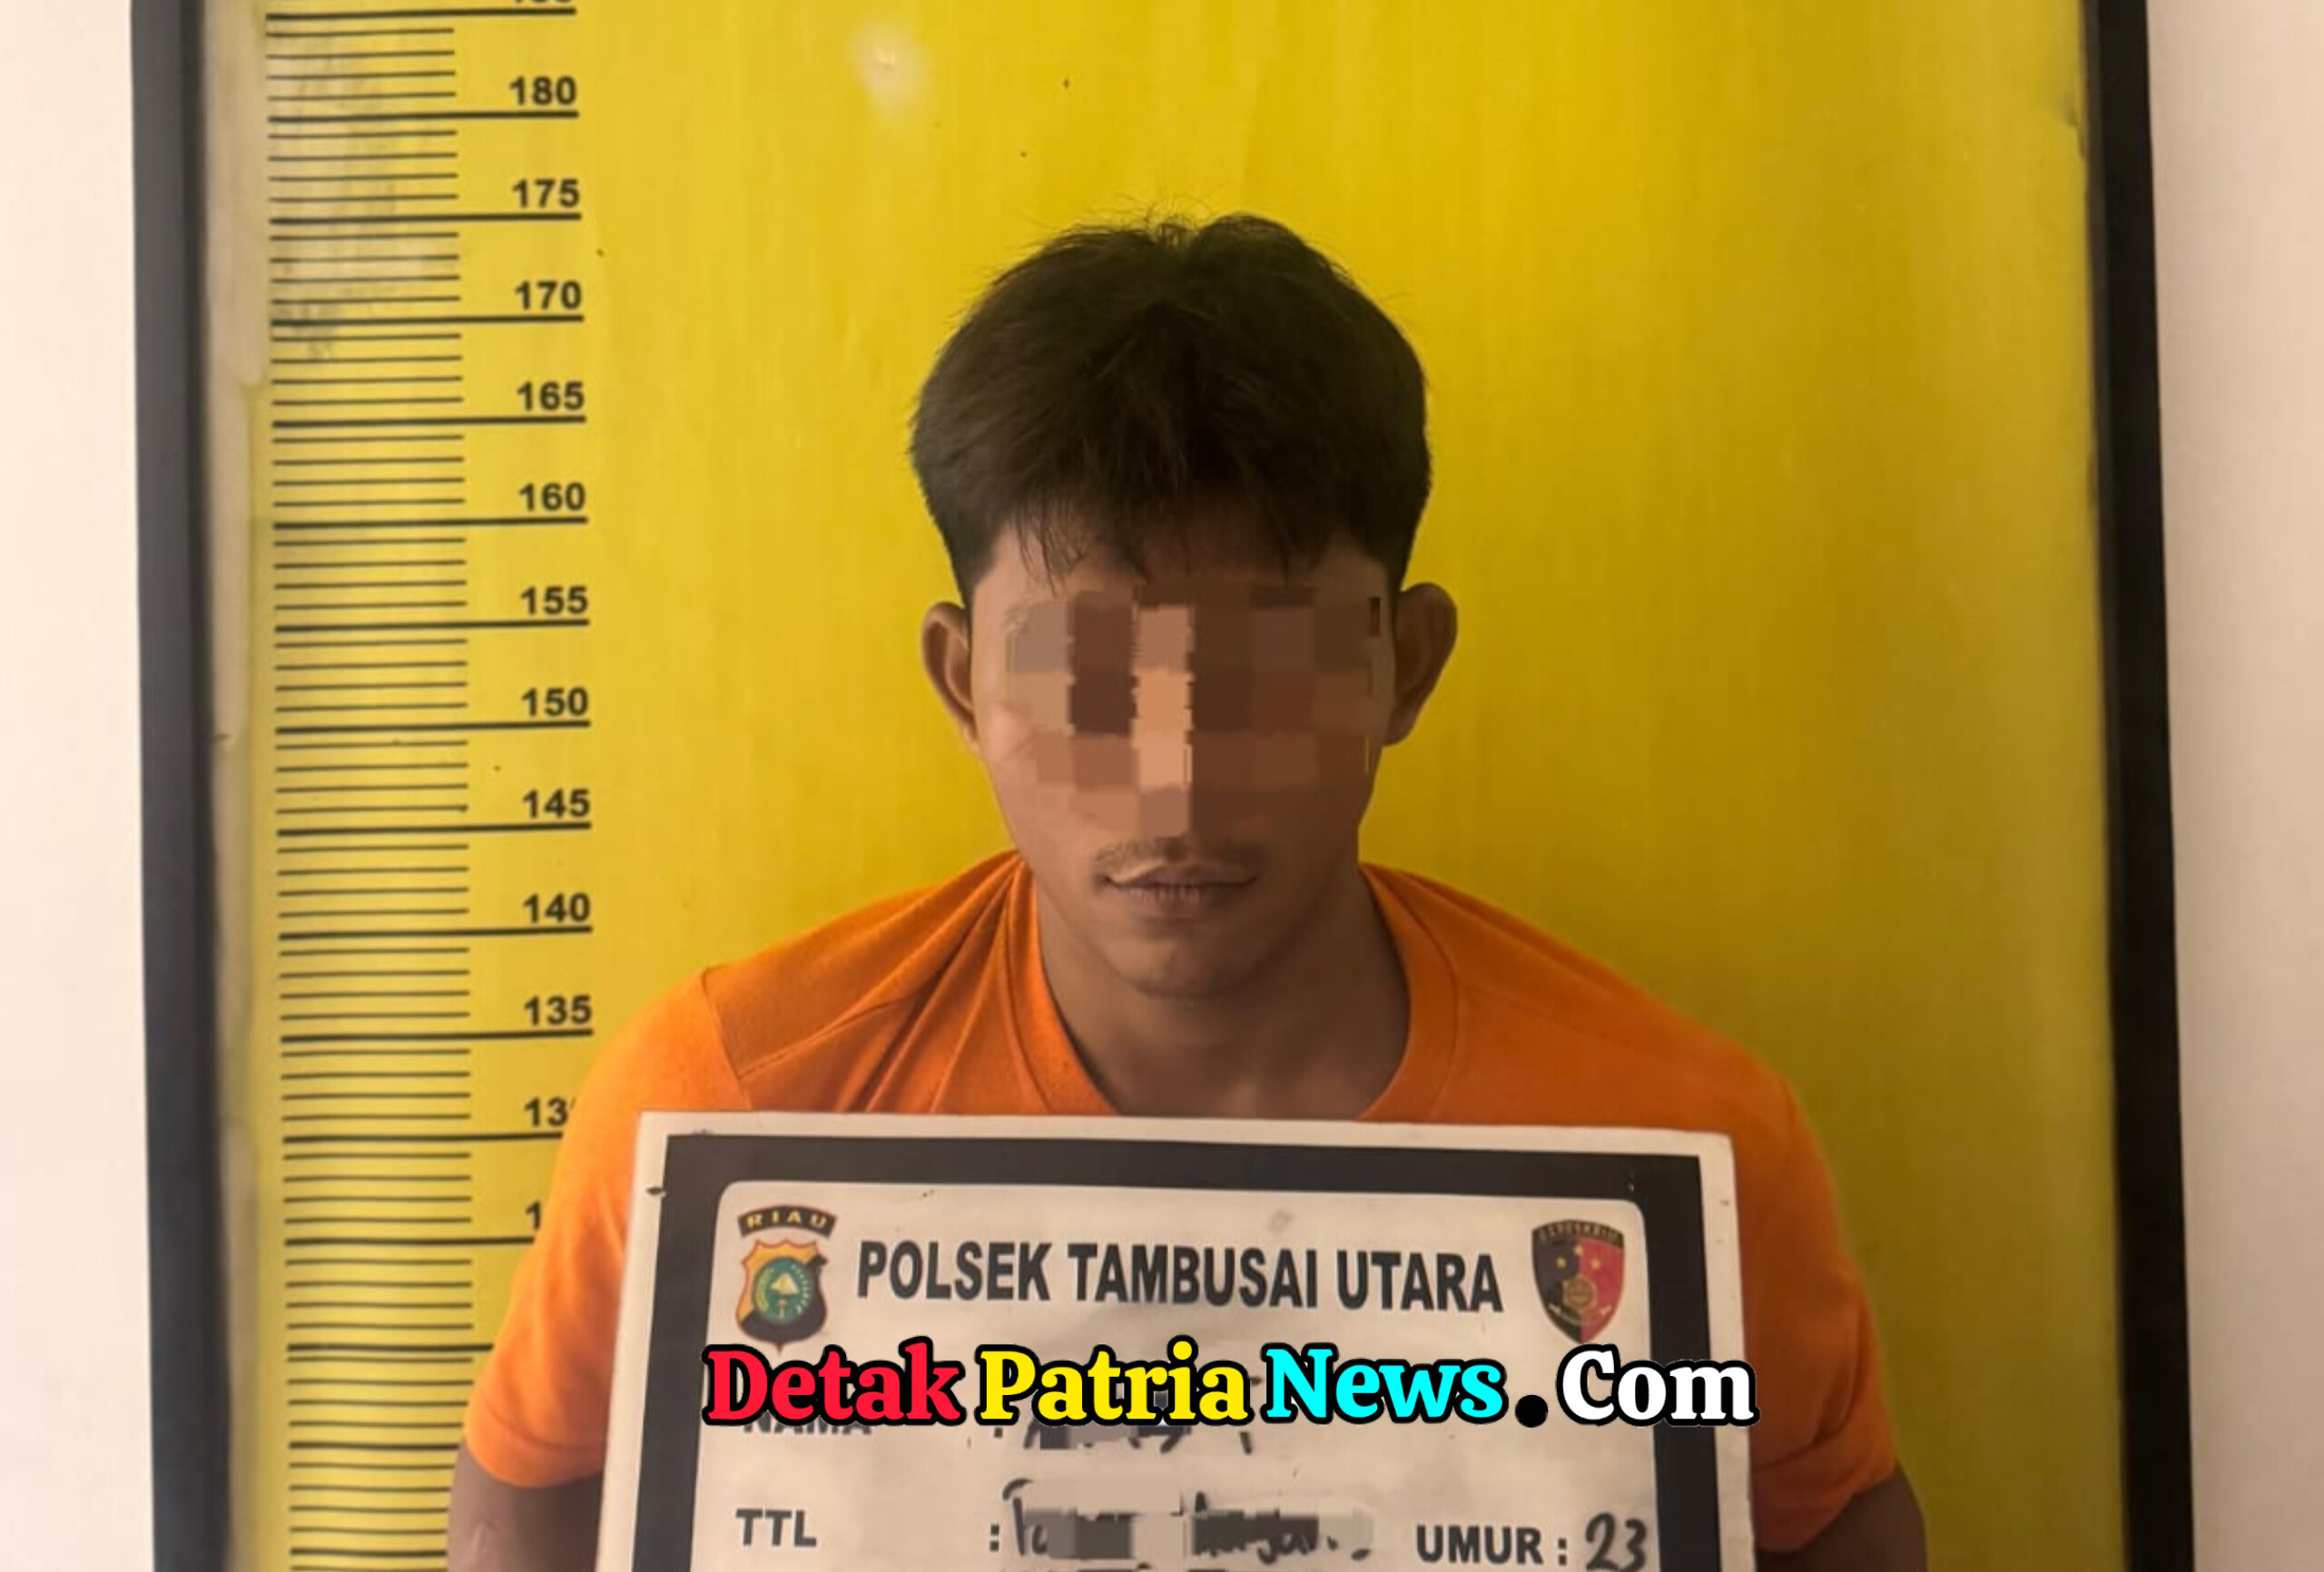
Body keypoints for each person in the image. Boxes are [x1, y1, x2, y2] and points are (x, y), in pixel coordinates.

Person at [448, 213, 1925, 1570]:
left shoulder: (1681, 1150)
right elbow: (533, 1486)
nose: (1175, 787)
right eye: (1082, 680)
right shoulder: (736, 1105)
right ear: (962, 683)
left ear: (1405, 665)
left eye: (1262, 677)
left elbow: (1830, 1528)